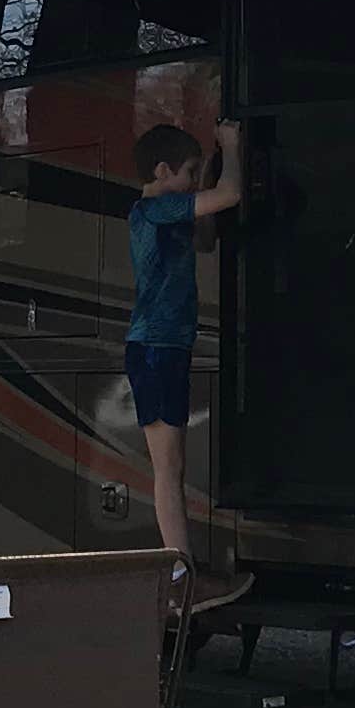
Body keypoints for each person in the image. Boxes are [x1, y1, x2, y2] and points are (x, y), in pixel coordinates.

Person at [127, 119, 249, 610]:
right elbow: (231, 195)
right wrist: (232, 149)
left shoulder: (166, 215)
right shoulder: (154, 209)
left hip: (166, 348)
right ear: (162, 171)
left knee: (171, 467)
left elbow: (205, 239)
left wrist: (212, 166)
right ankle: (180, 574)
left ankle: (183, 569)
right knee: (168, 467)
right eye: (190, 172)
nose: (195, 182)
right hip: (155, 349)